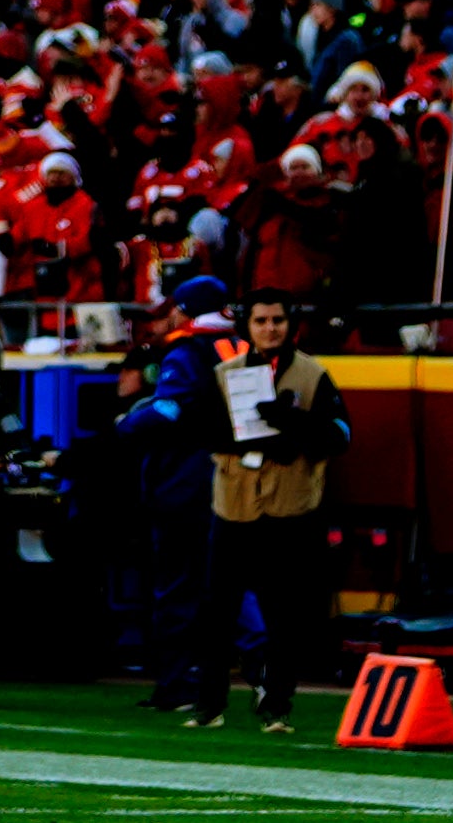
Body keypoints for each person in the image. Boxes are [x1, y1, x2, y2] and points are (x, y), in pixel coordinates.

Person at [187, 290, 347, 733]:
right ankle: (209, 705)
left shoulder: (314, 375)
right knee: (217, 610)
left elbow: (340, 436)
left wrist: (292, 424)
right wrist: (245, 436)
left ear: (290, 324)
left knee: (285, 615)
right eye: (261, 321)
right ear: (248, 326)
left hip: (290, 508)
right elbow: (201, 430)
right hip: (234, 505)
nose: (270, 328)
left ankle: (277, 705)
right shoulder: (223, 374)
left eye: (277, 320)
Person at [114, 274, 234, 714]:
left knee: (178, 585)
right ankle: (260, 674)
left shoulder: (187, 352)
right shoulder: (240, 347)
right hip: (233, 477)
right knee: (232, 582)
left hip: (185, 480)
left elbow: (169, 411)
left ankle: (178, 681)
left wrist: (127, 424)